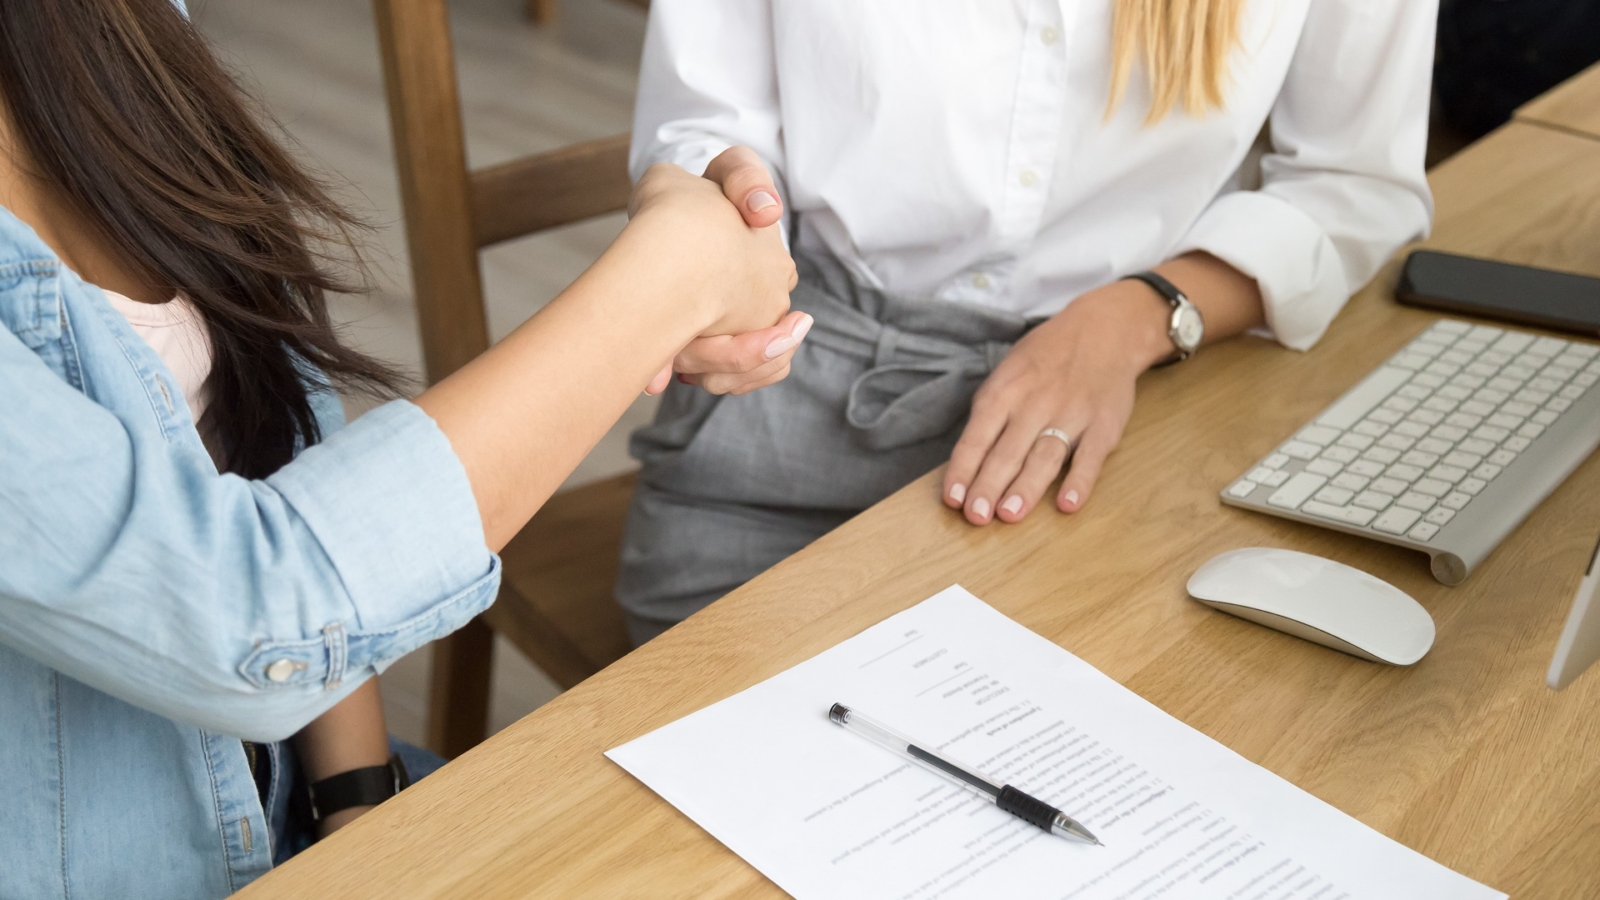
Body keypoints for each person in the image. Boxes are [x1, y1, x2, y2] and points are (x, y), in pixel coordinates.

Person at [0, 1, 800, 896]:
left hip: (300, 810)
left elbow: (278, 430)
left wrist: (356, 798)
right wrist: (670, 278)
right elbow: (242, 612)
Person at [618, 0, 1437, 642]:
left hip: (1133, 436)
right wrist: (719, 250)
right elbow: (704, 129)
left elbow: (1355, 182)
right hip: (785, 410)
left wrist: (1134, 319)